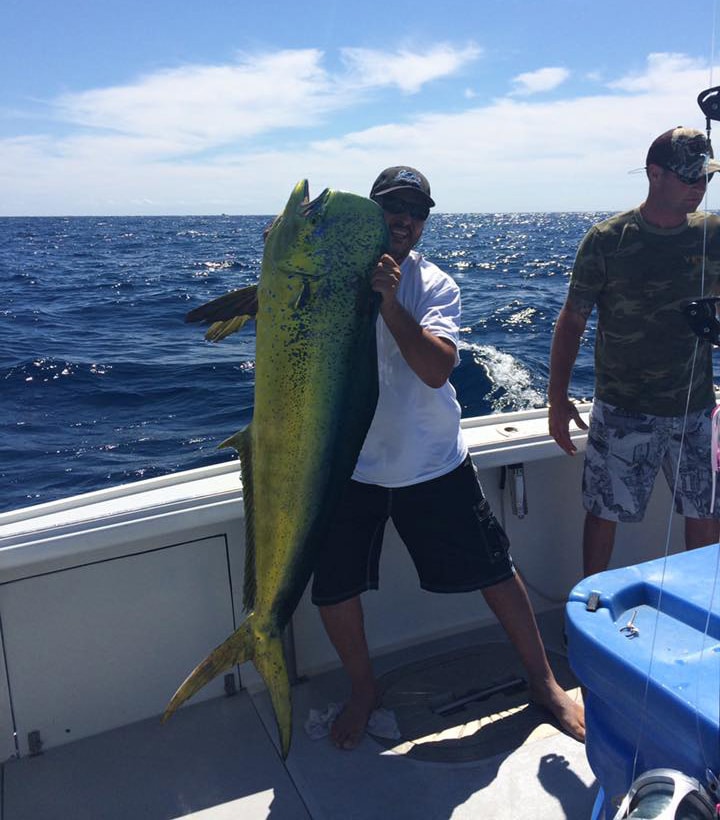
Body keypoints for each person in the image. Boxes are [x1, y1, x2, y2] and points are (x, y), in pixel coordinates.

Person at [311, 165, 585, 750]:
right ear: (371, 210)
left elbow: (436, 369)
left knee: (494, 571)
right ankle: (364, 689)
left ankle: (544, 683)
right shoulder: (332, 277)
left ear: (425, 221)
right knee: (333, 587)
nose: (403, 218)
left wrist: (388, 303)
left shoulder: (434, 285)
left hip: (432, 462)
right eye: (391, 206)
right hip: (350, 467)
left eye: (415, 210)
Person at [548, 127, 720, 578]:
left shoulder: (714, 234)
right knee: (606, 510)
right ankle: (588, 607)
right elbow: (571, 321)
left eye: (706, 179)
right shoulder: (608, 240)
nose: (699, 189)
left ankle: (703, 609)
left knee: (704, 510)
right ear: (654, 174)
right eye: (690, 179)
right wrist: (557, 398)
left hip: (696, 408)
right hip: (625, 410)